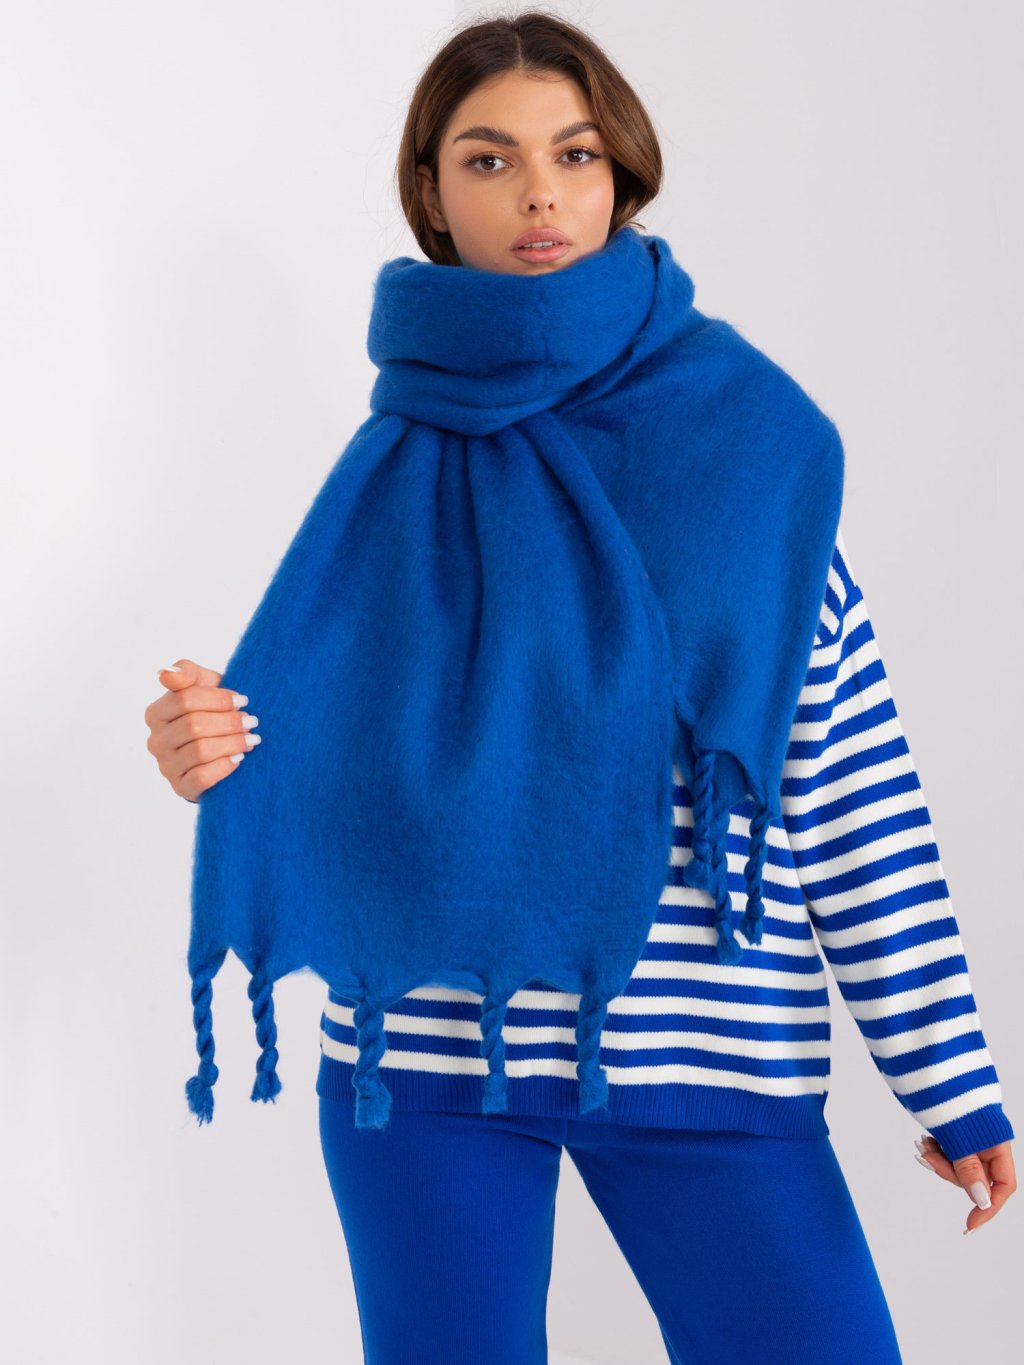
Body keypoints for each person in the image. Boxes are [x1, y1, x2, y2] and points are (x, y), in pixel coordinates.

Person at [144, 12, 1015, 1364]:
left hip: (708, 1057)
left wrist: (949, 1074)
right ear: (433, 191)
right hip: (425, 1058)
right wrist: (207, 746)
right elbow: (327, 744)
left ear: (622, 177)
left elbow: (848, 784)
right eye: (489, 160)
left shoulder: (753, 450)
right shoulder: (396, 459)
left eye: (576, 153)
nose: (539, 194)